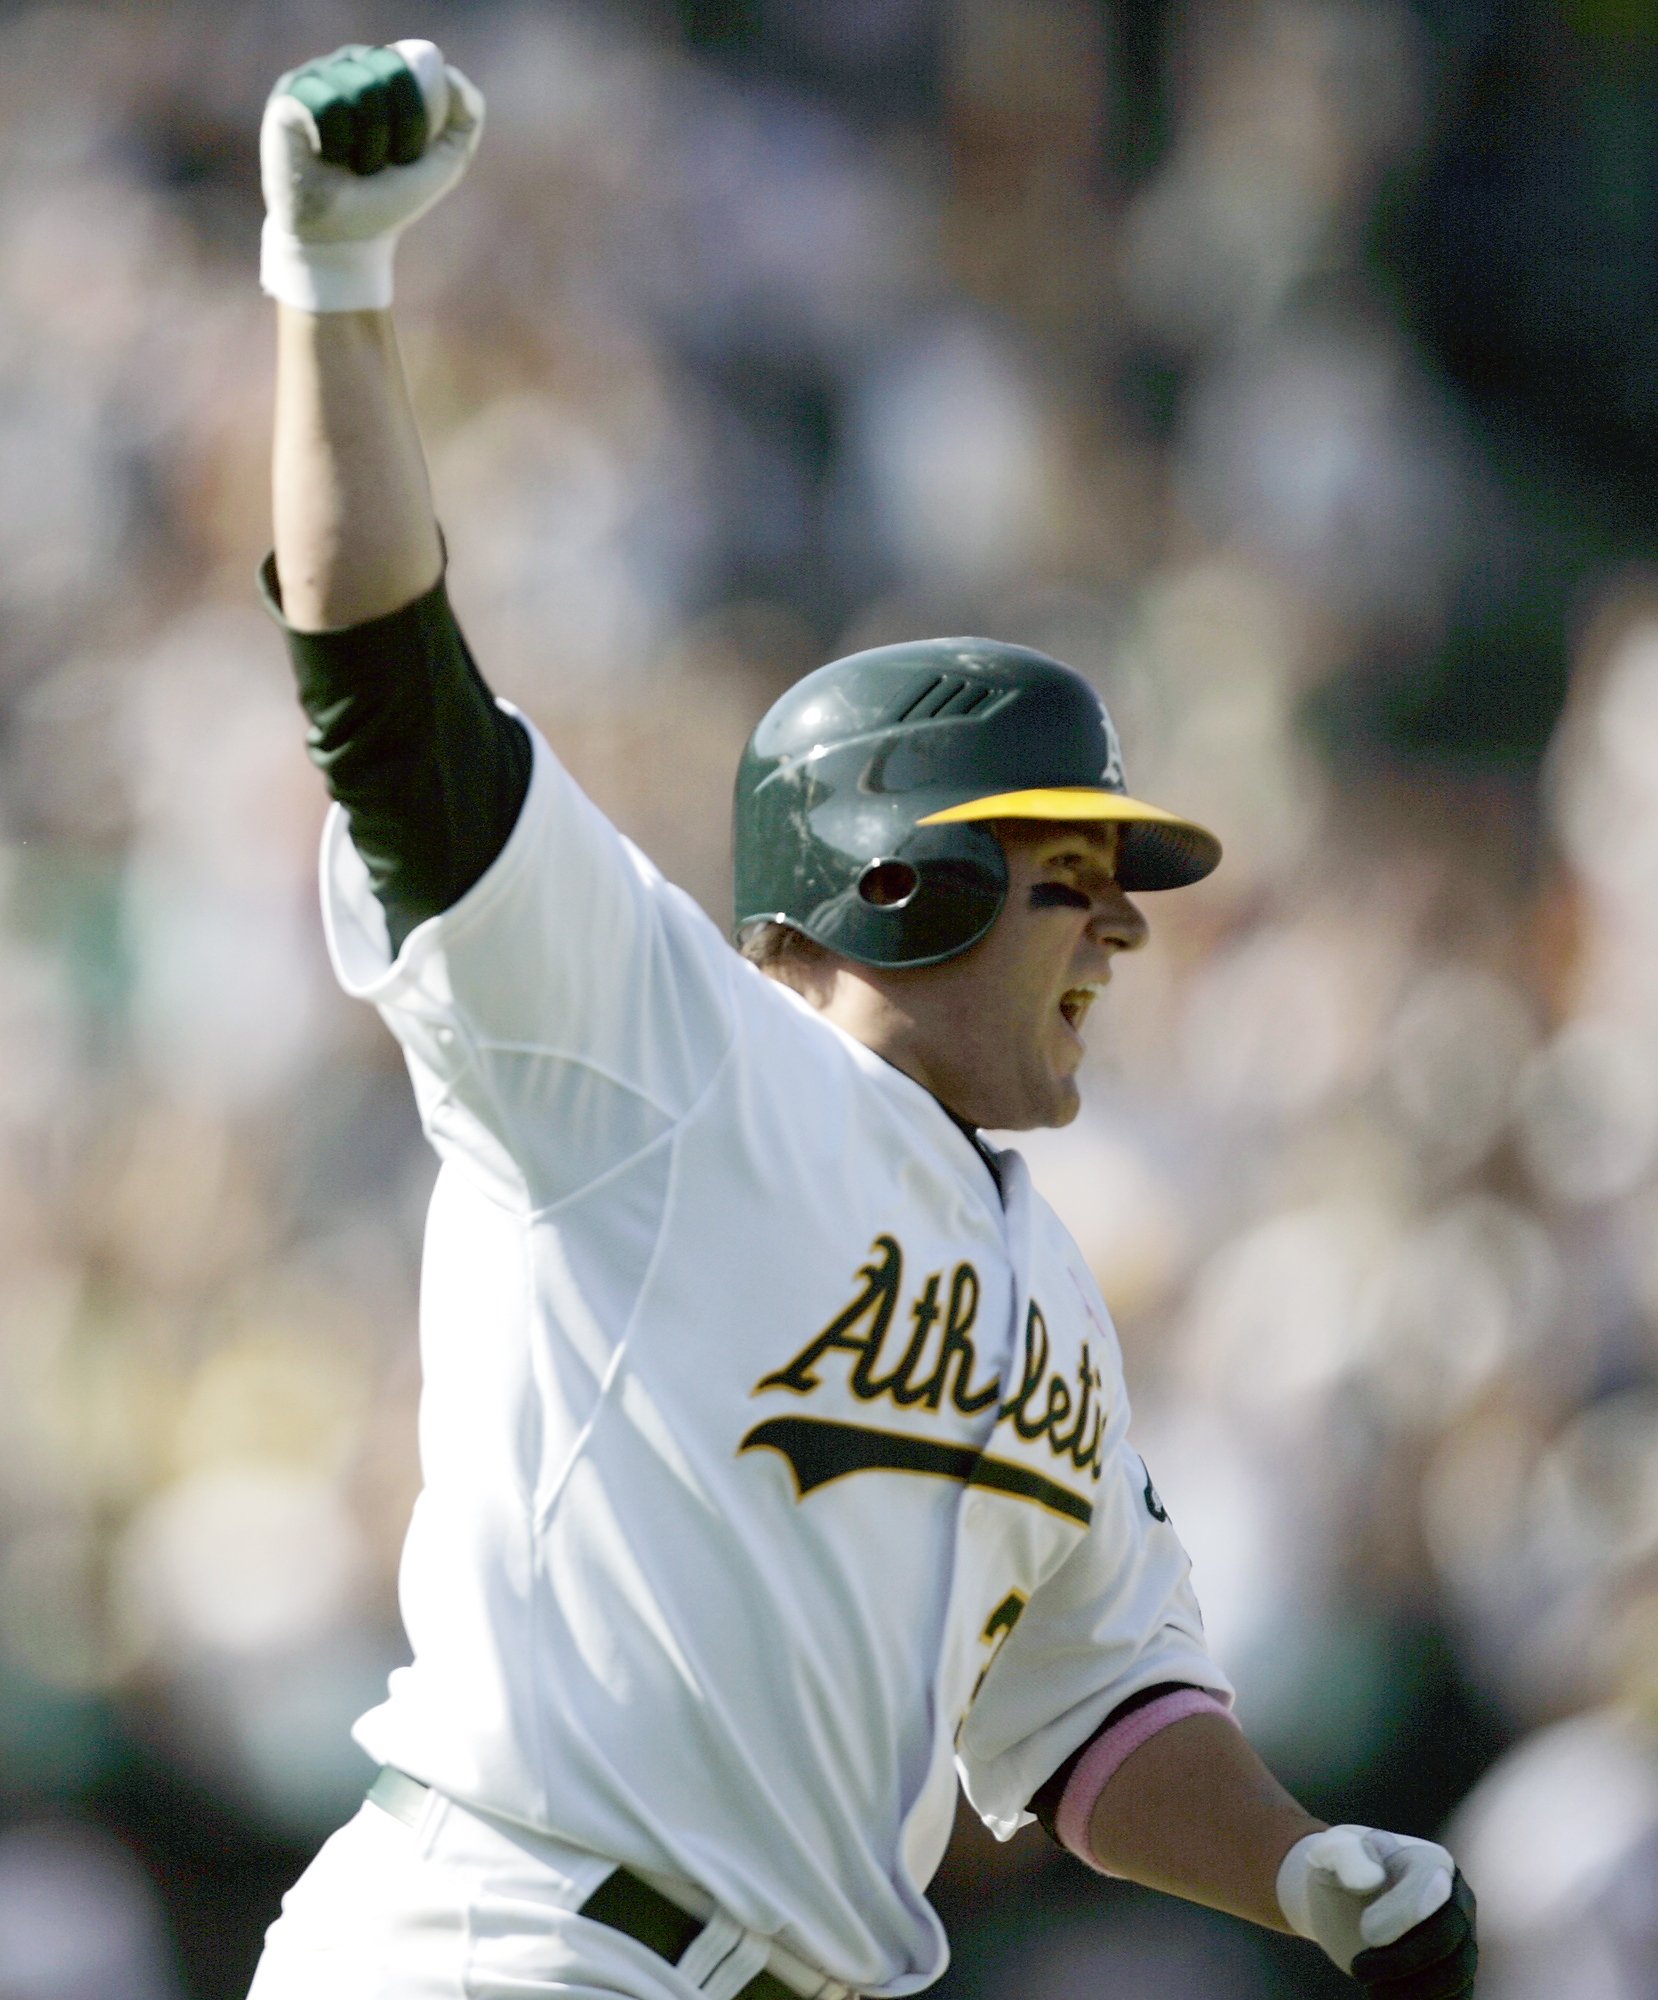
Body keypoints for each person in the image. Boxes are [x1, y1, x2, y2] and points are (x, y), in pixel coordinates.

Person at [247, 39, 1478, 2000]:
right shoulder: (659, 1056)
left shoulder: (1050, 1279)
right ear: (903, 882)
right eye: (1070, 880)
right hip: (512, 1947)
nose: (1117, 941)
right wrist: (330, 293)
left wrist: (1297, 1860)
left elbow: (1092, 1716)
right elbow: (392, 710)